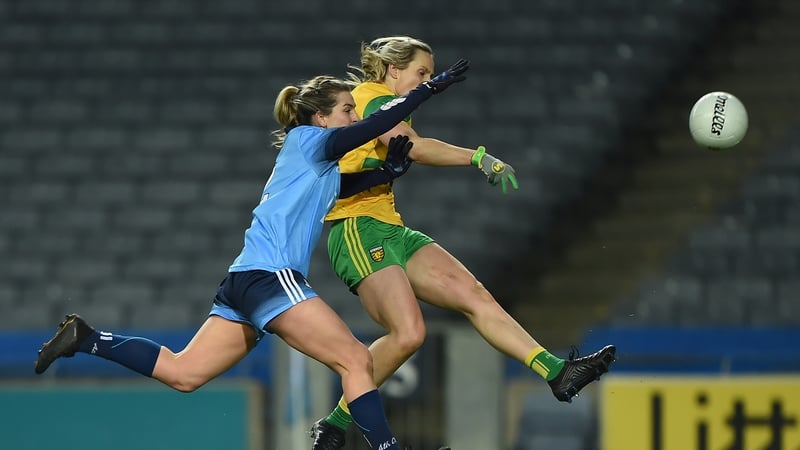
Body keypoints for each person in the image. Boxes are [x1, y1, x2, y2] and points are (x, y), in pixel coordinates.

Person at [34, 62, 470, 450]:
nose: (355, 116)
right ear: (321, 117)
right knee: (356, 359)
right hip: (271, 277)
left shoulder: (313, 159)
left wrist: (387, 172)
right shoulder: (312, 139)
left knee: (185, 373)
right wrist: (422, 93)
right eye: (347, 110)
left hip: (243, 281)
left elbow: (341, 188)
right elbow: (376, 126)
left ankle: (87, 338)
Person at [309, 36, 616, 450]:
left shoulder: (387, 107)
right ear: (393, 70)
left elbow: (405, 145)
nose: (426, 81)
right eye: (421, 72)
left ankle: (557, 373)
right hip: (356, 229)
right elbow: (414, 149)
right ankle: (335, 424)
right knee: (408, 334)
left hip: (391, 229)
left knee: (474, 295)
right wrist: (477, 157)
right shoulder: (369, 96)